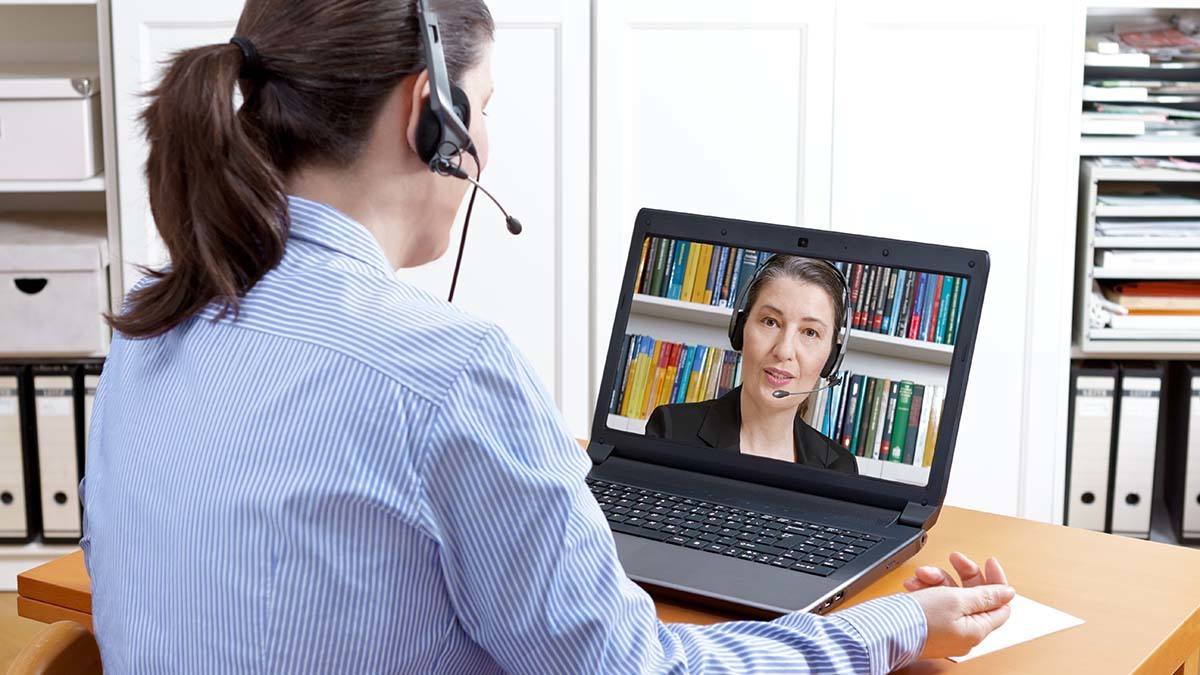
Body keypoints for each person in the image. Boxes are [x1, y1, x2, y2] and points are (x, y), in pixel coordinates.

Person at [79, 0, 1014, 672]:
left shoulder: (150, 322)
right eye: (483, 111)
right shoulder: (447, 373)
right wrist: (893, 628)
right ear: (428, 117)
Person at [647, 255, 858, 474]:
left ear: (831, 358)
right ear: (740, 330)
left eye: (810, 332)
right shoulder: (672, 431)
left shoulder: (839, 467)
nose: (783, 351)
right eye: (770, 322)